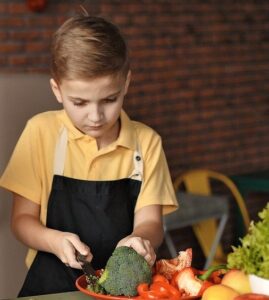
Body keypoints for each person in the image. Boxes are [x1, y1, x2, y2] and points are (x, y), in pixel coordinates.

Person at [0, 15, 178, 296]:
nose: (96, 117)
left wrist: (139, 238)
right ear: (57, 90)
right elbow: (21, 221)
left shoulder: (147, 143)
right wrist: (54, 240)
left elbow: (152, 223)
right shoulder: (40, 133)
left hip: (126, 290)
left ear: (126, 84)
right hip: (50, 285)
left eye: (110, 99)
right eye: (79, 102)